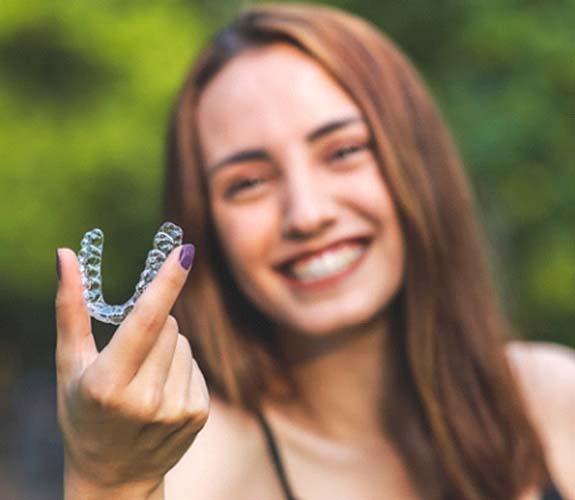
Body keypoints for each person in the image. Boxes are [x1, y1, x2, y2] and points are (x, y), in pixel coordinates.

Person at [54, 4, 575, 500]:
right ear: (205, 227)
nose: (306, 214)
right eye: (249, 182)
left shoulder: (554, 400)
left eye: (344, 151)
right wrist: (108, 482)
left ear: (420, 162)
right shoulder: (189, 471)